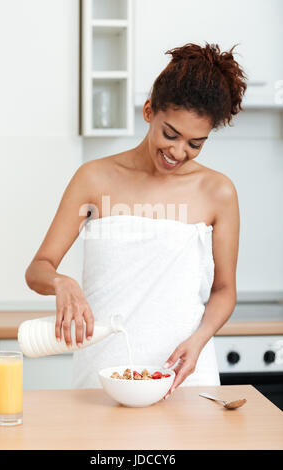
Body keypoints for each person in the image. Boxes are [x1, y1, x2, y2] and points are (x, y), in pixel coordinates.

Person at [25, 42, 247, 396]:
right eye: (170, 134)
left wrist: (201, 340)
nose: (178, 152)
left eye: (195, 144)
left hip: (184, 375)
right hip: (103, 375)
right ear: (148, 111)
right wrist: (60, 281)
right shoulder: (93, 178)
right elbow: (38, 267)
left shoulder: (218, 192)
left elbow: (224, 291)